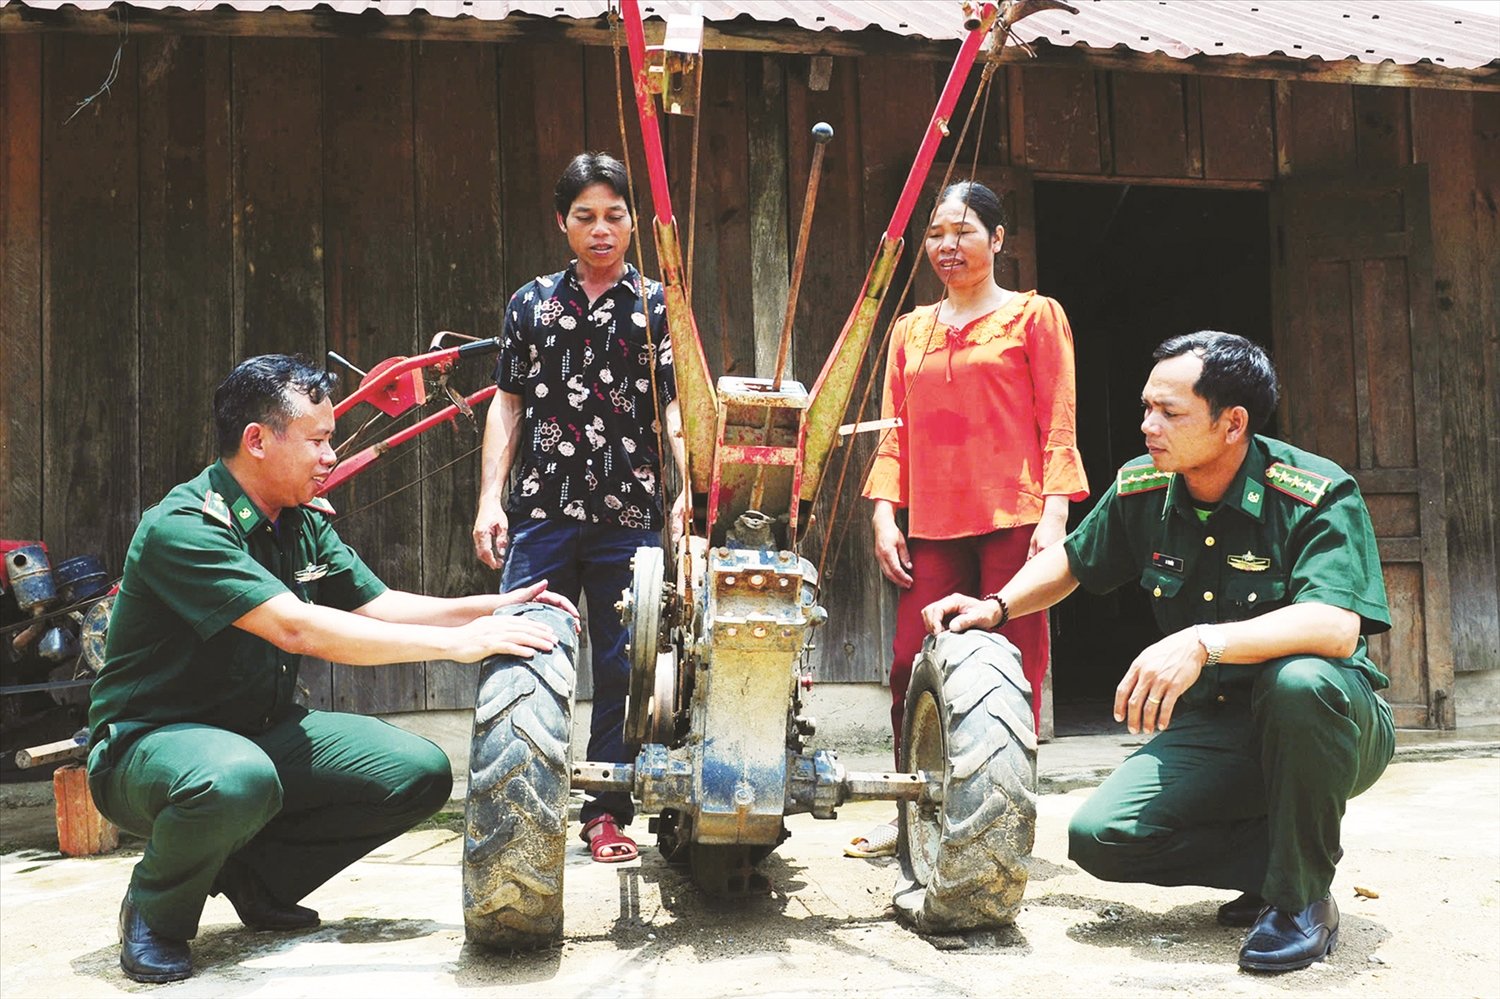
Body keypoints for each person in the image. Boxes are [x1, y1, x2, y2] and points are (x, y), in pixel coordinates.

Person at [86, 354, 577, 984]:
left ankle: (253, 879)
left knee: (417, 773)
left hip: (255, 733)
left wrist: (491, 607)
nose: (330, 455)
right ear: (257, 441)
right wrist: (461, 647)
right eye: (317, 441)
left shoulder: (297, 519)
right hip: (149, 746)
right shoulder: (185, 528)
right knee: (237, 780)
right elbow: (299, 627)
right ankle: (154, 911)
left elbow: (382, 604)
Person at [922, 331, 1395, 972]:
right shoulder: (1145, 487)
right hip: (1219, 726)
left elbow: (1337, 625)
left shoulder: (1313, 492)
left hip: (1331, 720)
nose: (1148, 425)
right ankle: (1283, 857)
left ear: (1233, 423)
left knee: (1298, 681)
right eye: (1147, 407)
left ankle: (1301, 899)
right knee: (1103, 839)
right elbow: (1074, 561)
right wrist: (996, 607)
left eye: (1170, 413)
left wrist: (1205, 642)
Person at [851, 180, 1088, 858]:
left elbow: (1059, 419)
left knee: (1014, 668)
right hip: (929, 520)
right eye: (935, 234)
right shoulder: (909, 330)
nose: (947, 245)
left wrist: (1056, 514)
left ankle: (1001, 815)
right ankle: (908, 812)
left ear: (999, 238)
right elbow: (892, 431)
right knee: (907, 664)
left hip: (1015, 516)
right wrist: (881, 512)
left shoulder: (1035, 316)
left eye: (963, 231)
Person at [472, 151, 684, 866]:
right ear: (562, 222)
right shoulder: (530, 304)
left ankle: (604, 813)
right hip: (542, 512)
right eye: (586, 217)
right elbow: (506, 407)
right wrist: (488, 501)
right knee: (523, 656)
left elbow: (678, 411)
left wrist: (691, 495)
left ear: (632, 224)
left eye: (615, 217)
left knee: (626, 664)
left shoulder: (658, 306)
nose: (601, 230)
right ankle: (514, 809)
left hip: (630, 514)